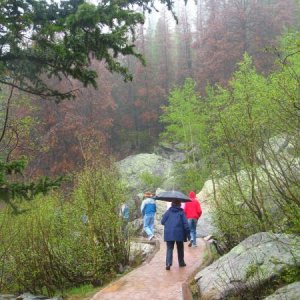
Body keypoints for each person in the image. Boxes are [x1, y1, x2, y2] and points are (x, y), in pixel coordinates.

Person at [161, 199, 190, 270]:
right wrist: (189, 235)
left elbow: (162, 222)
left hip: (169, 233)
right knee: (180, 248)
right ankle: (181, 262)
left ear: (172, 204)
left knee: (169, 248)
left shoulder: (168, 212)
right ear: (179, 204)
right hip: (179, 233)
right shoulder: (181, 212)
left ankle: (168, 263)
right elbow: (186, 224)